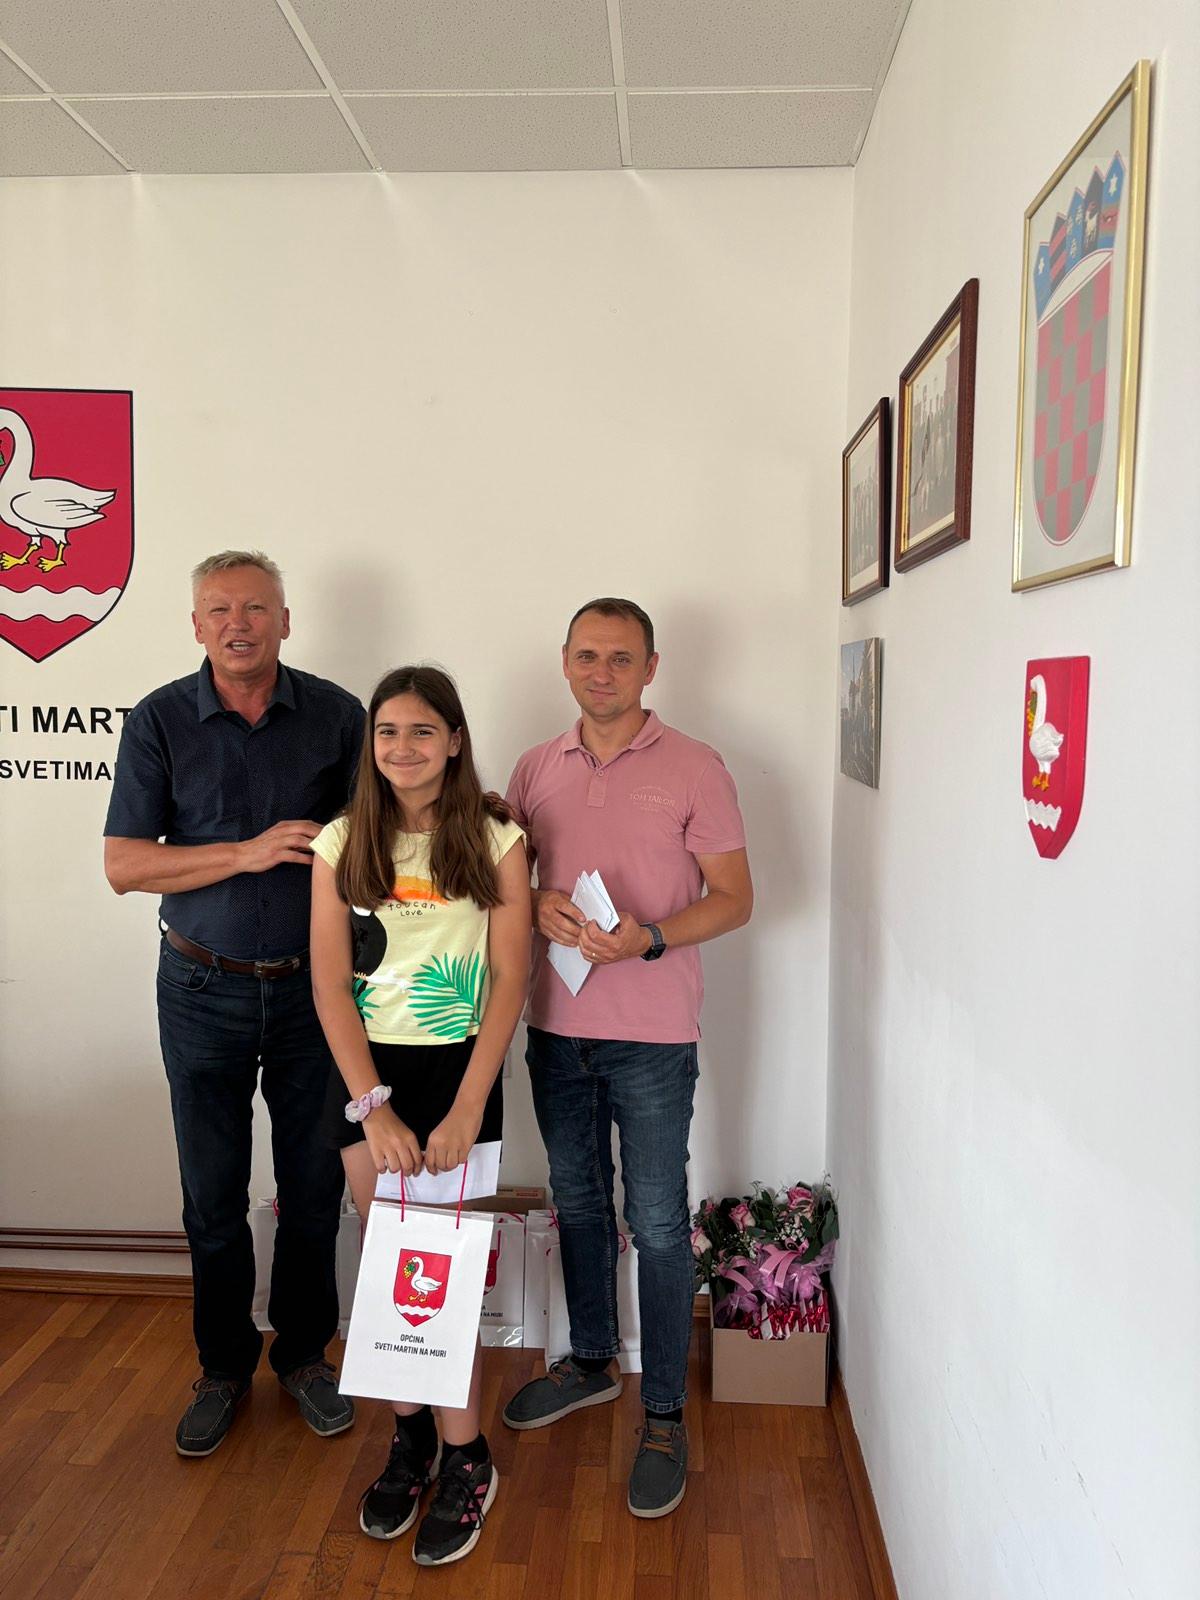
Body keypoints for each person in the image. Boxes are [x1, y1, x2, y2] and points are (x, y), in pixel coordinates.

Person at [103, 550, 365, 1458]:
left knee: (314, 1187)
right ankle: (221, 1368)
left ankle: (303, 1357)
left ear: (285, 621)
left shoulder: (338, 716)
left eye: (255, 608)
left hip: (313, 993)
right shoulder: (159, 720)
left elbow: (379, 841)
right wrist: (246, 853)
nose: (238, 624)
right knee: (211, 1197)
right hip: (199, 987)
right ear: (196, 626)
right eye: (219, 610)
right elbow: (124, 865)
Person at [501, 598, 753, 1519]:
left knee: (654, 1222)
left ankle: (664, 1413)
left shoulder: (696, 765)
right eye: (586, 656)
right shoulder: (535, 767)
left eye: (619, 658)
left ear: (651, 667)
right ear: (564, 661)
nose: (600, 672)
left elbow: (735, 898)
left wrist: (649, 937)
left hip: (653, 1035)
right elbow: (502, 881)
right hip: (554, 1026)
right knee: (576, 1203)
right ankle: (592, 1363)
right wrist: (535, 904)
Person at [309, 665, 529, 1567]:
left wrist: (468, 1107)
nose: (403, 748)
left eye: (422, 731)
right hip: (368, 1077)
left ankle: (467, 1455)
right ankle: (411, 1444)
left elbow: (510, 978)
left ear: (455, 740)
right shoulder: (340, 840)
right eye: (388, 732)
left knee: (441, 1276)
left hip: (457, 1074)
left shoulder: (497, 837)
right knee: (388, 1268)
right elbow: (331, 985)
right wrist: (373, 1110)